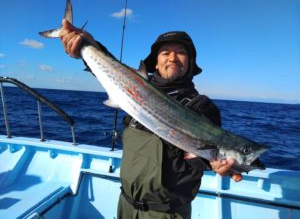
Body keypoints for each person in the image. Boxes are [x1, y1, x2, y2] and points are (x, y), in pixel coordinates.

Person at [60, 19, 242, 219]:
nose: (172, 58)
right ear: (155, 63)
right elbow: (111, 68)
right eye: (165, 53)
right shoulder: (134, 88)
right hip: (125, 205)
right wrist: (88, 45)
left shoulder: (202, 107)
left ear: (190, 64)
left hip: (166, 214)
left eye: (180, 52)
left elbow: (205, 154)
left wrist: (215, 163)